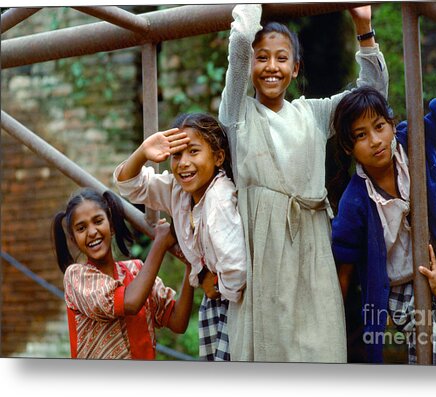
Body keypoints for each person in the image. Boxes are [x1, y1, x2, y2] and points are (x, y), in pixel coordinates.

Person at [218, 4, 388, 362]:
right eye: (261, 58)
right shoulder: (237, 115)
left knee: (318, 344)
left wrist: (363, 26)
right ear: (250, 66)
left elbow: (370, 96)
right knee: (267, 348)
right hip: (261, 249)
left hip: (311, 246)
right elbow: (237, 54)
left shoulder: (313, 113)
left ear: (295, 69)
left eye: (282, 58)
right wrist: (250, 14)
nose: (271, 67)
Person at [330, 60, 436, 364]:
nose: (375, 141)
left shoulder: (414, 142)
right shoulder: (356, 201)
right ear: (349, 148)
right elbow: (344, 270)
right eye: (361, 135)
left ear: (391, 123)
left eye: (379, 127)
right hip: (398, 290)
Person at [114, 113, 247, 361]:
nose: (183, 163)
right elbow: (130, 186)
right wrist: (144, 151)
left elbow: (237, 273)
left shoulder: (219, 199)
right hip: (215, 305)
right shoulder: (178, 191)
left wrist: (214, 285)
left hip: (236, 308)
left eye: (193, 152)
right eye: (177, 155)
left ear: (218, 157)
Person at [52, 187, 194, 359]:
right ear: (74, 240)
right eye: (81, 228)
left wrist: (191, 265)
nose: (91, 232)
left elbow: (178, 321)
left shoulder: (137, 271)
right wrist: (160, 244)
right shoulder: (76, 277)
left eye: (98, 221)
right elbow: (130, 303)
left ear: (111, 226)